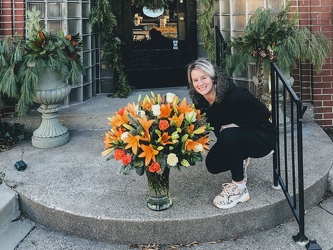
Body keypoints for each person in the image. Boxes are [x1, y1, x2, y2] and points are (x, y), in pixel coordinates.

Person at [187, 58, 278, 209]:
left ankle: (239, 188)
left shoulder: (235, 93)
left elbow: (263, 113)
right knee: (213, 165)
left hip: (262, 138)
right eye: (195, 80)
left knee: (227, 134)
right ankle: (240, 161)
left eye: (204, 78)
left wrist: (235, 124)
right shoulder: (201, 102)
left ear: (212, 77)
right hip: (234, 139)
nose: (200, 83)